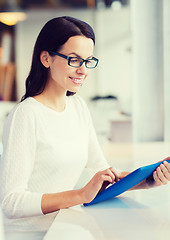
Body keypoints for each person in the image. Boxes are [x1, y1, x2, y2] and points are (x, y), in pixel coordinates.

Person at [0, 16, 170, 240]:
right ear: (45, 58)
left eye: (88, 60)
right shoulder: (26, 115)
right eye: (74, 59)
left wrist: (146, 182)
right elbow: (11, 202)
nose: (83, 70)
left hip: (66, 228)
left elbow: (101, 172)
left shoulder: (78, 107)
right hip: (35, 235)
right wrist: (80, 195)